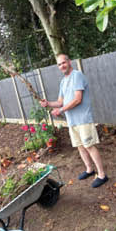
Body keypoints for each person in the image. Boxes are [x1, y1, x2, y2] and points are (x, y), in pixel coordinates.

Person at [40, 54, 108, 188]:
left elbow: (78, 99)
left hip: (83, 119)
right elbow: (60, 102)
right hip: (72, 121)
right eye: (59, 64)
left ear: (69, 62)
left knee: (89, 145)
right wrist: (48, 103)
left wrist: (61, 111)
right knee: (80, 146)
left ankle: (102, 175)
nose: (62, 66)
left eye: (63, 63)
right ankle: (89, 169)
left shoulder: (77, 76)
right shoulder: (63, 81)